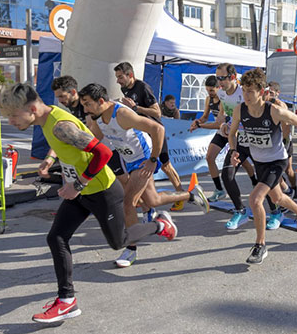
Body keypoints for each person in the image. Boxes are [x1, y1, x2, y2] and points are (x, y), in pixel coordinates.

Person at [0, 83, 177, 323]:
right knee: (56, 238)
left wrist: (77, 184)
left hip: (103, 191)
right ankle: (67, 301)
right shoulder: (47, 119)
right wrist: (52, 162)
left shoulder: (61, 125)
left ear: (31, 108)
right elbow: (67, 145)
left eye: (12, 115)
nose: (10, 121)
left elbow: (103, 152)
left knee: (119, 242)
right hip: (82, 192)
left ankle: (160, 225)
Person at [80, 84, 209, 267]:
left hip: (144, 158)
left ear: (101, 101)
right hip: (129, 160)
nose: (85, 109)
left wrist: (153, 159)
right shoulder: (99, 117)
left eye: (87, 104)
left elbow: (158, 129)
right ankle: (191, 194)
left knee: (128, 203)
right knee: (153, 200)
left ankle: (131, 249)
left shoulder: (122, 114)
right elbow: (95, 138)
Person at [229, 68, 297, 264]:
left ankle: (260, 245)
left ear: (261, 92)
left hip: (277, 161)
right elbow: (232, 133)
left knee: (255, 199)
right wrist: (235, 151)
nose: (246, 95)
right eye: (244, 90)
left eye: (250, 91)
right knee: (277, 197)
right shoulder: (240, 110)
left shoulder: (273, 111)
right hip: (260, 162)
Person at [114, 62, 185, 207]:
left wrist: (135, 107)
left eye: (120, 77)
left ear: (130, 75)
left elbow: (157, 112)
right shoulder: (124, 89)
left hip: (155, 130)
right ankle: (142, 200)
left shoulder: (143, 87)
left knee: (165, 165)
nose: (118, 81)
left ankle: (181, 195)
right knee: (140, 165)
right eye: (117, 77)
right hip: (142, 133)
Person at [205, 63, 260, 229]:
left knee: (269, 181)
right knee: (227, 175)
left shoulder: (244, 93)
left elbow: (259, 111)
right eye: (217, 78)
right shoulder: (221, 93)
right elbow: (224, 115)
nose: (219, 82)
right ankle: (240, 210)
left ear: (233, 77)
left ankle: (277, 208)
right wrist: (223, 123)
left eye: (222, 78)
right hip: (236, 137)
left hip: (255, 137)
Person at [190, 76, 225, 201]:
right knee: (209, 158)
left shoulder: (223, 100)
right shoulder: (208, 99)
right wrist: (198, 121)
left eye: (212, 91)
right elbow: (205, 117)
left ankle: (254, 180)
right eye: (208, 90)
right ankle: (219, 190)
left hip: (232, 132)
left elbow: (217, 124)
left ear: (218, 88)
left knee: (245, 162)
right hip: (222, 131)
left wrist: (200, 126)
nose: (209, 93)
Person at [265, 81, 297, 199]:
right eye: (267, 92)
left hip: (284, 140)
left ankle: (293, 188)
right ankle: (284, 190)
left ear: (278, 93)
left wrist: (284, 143)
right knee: (274, 169)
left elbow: (287, 128)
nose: (269, 95)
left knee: (288, 170)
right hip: (272, 142)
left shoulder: (281, 105)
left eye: (272, 93)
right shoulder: (264, 104)